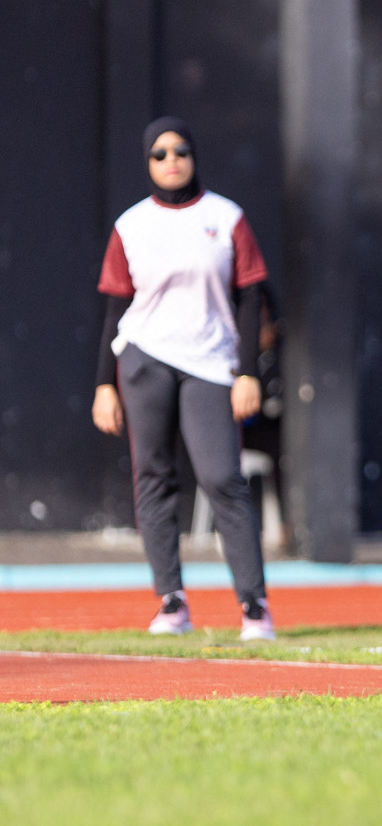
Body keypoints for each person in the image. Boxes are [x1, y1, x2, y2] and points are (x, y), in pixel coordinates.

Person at [90, 116, 277, 641]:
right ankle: (171, 601)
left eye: (180, 151)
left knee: (222, 478)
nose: (171, 161)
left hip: (210, 363)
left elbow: (250, 298)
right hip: (145, 359)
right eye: (159, 154)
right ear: (147, 161)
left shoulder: (226, 217)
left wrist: (246, 373)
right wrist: (105, 383)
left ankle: (254, 605)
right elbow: (115, 308)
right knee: (153, 477)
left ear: (194, 157)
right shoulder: (131, 225)